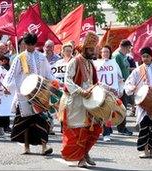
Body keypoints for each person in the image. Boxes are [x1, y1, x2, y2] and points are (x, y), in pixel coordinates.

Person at [3, 32, 54, 155]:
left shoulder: (41, 57)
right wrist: (8, 86)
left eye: (32, 44)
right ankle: (26, 146)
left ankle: (44, 147)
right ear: (25, 44)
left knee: (42, 120)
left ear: (35, 44)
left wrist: (54, 83)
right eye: (28, 44)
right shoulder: (20, 58)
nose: (30, 47)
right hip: (24, 94)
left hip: (40, 93)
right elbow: (12, 74)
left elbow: (48, 74)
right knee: (25, 121)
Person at [60, 32, 102, 168]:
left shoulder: (90, 63)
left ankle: (85, 152)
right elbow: (68, 80)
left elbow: (94, 82)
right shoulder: (74, 61)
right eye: (90, 49)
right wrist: (80, 91)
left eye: (93, 49)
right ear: (84, 49)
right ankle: (80, 158)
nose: (92, 51)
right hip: (76, 102)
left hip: (89, 101)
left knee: (94, 129)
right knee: (79, 131)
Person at [93, 45, 124, 142]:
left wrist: (120, 90)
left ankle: (107, 133)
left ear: (110, 53)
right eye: (103, 52)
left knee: (108, 113)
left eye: (107, 52)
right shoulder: (96, 63)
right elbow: (93, 78)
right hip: (99, 91)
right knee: (98, 112)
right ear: (100, 53)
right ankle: (97, 132)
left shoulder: (114, 63)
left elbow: (120, 78)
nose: (105, 54)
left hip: (112, 92)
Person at [112, 39, 133, 136]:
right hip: (120, 85)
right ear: (125, 47)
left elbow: (125, 68)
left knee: (123, 106)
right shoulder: (117, 56)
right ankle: (121, 128)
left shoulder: (124, 56)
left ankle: (121, 127)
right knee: (122, 107)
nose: (130, 49)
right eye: (129, 47)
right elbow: (115, 70)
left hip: (126, 84)